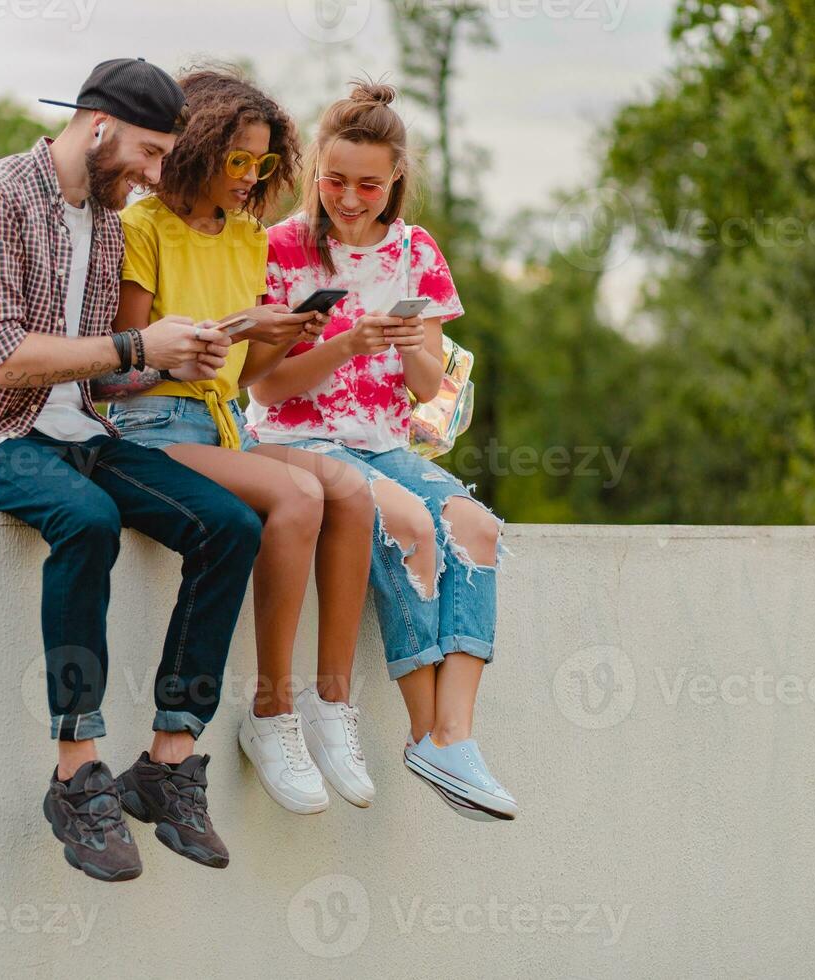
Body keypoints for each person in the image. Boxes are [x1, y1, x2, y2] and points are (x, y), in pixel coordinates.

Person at [0, 58, 265, 882]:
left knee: (231, 525)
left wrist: (178, 351)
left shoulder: (104, 223)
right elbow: (0, 360)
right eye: (145, 153)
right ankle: (77, 772)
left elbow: (99, 374)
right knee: (88, 520)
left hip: (81, 428)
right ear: (97, 125)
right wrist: (139, 343)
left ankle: (168, 758)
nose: (151, 174)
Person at [92, 67, 379, 816]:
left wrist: (285, 334)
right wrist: (187, 348)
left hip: (224, 428)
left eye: (262, 163)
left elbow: (248, 378)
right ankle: (271, 713)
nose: (252, 179)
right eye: (238, 161)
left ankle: (331, 705)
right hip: (148, 430)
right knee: (295, 492)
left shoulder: (249, 237)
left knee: (348, 490)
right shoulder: (142, 227)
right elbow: (114, 374)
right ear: (195, 149)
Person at [249, 80, 517, 821]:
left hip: (385, 444)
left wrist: (406, 348)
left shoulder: (416, 252)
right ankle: (423, 732)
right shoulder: (281, 251)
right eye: (334, 180)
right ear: (315, 173)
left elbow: (428, 382)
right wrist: (343, 346)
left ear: (396, 176)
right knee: (406, 523)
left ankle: (452, 739)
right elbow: (267, 391)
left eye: (369, 184)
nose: (350, 198)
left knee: (477, 528)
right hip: (293, 440)